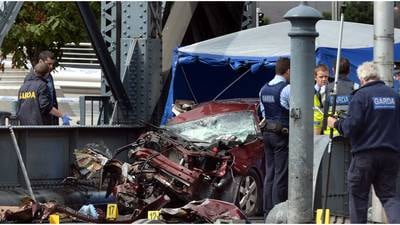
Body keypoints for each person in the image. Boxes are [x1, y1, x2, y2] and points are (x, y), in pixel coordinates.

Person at [327, 62, 400, 223]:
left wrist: (336, 123)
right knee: (390, 197)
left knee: (359, 198)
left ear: (362, 79)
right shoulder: (394, 96)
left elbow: (351, 127)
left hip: (365, 155)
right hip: (391, 155)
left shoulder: (361, 96)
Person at [259, 57, 290, 218]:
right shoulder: (286, 89)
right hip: (282, 135)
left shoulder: (263, 89)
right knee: (280, 173)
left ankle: (266, 211)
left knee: (269, 172)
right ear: (288, 71)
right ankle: (277, 212)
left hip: (267, 134)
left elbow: (264, 113)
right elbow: (295, 111)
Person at [321, 58, 359, 135]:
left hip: (330, 133)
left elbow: (321, 111)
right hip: (349, 131)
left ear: (333, 70)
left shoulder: (324, 89)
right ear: (349, 71)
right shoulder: (356, 87)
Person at [25, 50, 59, 125]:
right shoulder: (30, 78)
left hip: (50, 120)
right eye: (49, 64)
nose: (51, 67)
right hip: (38, 121)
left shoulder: (49, 77)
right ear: (40, 62)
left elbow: (52, 100)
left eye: (52, 64)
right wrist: (61, 115)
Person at [313, 64, 329, 134]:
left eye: (326, 76)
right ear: (315, 77)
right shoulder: (310, 92)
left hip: (327, 129)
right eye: (321, 77)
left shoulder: (331, 91)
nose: (324, 79)